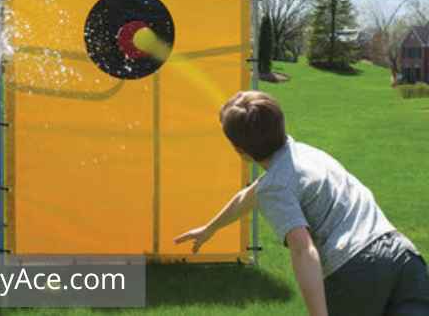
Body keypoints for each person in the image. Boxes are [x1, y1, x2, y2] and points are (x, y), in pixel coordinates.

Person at [174, 90, 429, 316]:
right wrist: (210, 228)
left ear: (239, 150)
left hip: (355, 269)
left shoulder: (276, 185)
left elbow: (302, 249)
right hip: (403, 257)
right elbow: (248, 197)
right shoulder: (306, 154)